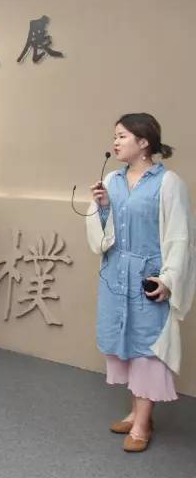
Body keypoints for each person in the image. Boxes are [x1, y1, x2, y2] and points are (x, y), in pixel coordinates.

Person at [86, 113, 195, 453]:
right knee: (127, 345)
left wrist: (168, 279)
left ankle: (143, 424)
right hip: (115, 276)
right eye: (114, 136)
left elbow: (180, 237)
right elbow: (104, 235)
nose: (115, 142)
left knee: (148, 349)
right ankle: (136, 413)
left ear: (144, 142)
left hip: (149, 278)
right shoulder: (112, 180)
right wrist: (104, 207)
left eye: (122, 136)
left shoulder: (169, 183)